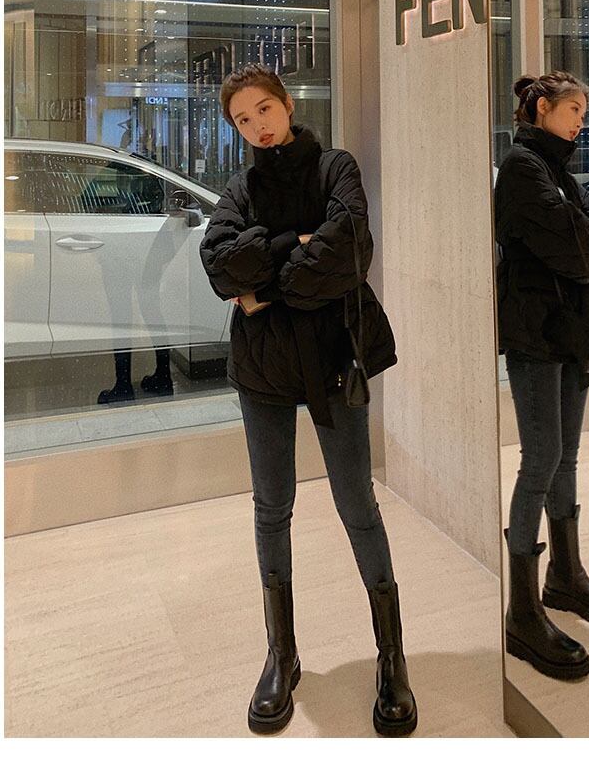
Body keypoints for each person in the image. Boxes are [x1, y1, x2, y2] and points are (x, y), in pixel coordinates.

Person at [199, 64, 417, 737]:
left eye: (264, 109)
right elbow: (219, 266)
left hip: (332, 359)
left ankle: (391, 656)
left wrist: (265, 286)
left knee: (357, 503)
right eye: (243, 119)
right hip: (263, 367)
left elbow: (349, 251)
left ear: (287, 104)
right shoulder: (239, 190)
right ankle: (282, 654)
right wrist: (289, 244)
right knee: (272, 506)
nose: (258, 125)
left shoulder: (334, 167)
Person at [494, 71, 589, 682]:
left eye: (582, 110)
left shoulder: (560, 174)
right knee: (542, 459)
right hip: (535, 334)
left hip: (572, 328)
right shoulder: (522, 169)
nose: (581, 120)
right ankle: (521, 610)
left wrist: (585, 242)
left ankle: (565, 577)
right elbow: (585, 249)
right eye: (573, 109)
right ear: (542, 109)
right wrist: (585, 245)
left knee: (567, 457)